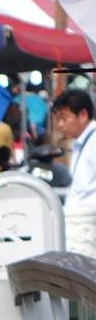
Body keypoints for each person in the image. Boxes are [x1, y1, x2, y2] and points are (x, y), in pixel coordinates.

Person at [52, 86, 96, 255]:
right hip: (80, 227)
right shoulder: (80, 143)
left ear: (83, 115)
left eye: (65, 118)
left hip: (88, 228)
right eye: (58, 119)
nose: (61, 125)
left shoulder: (93, 141)